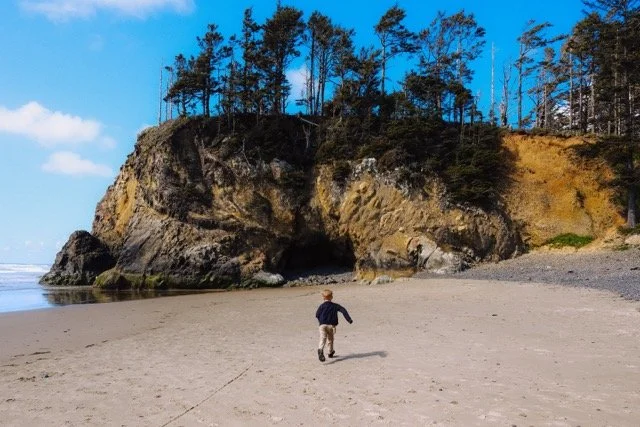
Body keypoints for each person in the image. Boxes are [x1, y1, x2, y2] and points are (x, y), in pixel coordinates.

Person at [315, 289, 353, 362]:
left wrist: (321, 321)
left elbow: (317, 315)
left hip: (322, 325)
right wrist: (349, 319)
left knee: (322, 338)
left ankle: (320, 350)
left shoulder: (321, 306)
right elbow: (343, 310)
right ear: (331, 297)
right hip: (331, 326)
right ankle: (330, 352)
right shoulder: (335, 306)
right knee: (330, 339)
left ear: (323, 297)